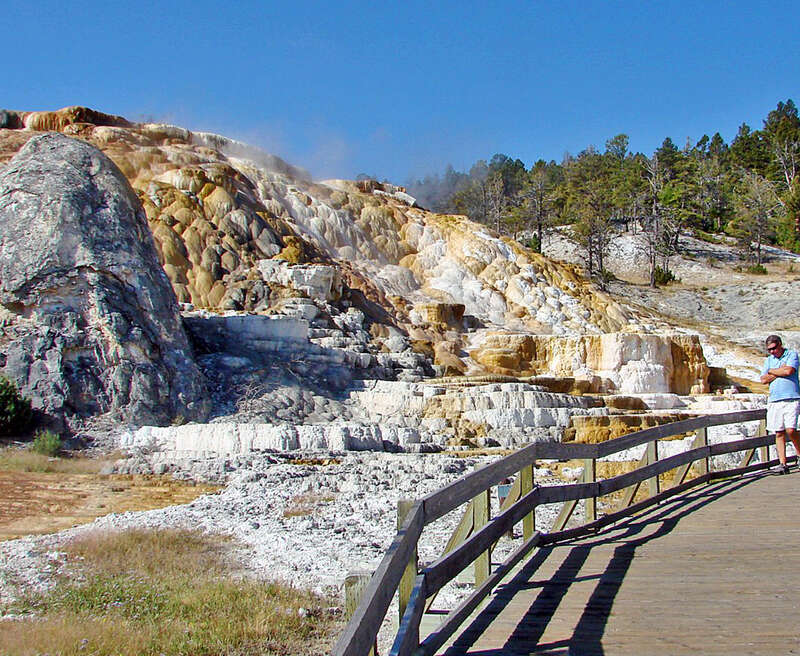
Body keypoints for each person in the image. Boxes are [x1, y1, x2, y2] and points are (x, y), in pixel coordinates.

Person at [760, 335, 800, 474]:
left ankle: (799, 455)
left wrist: (772, 371)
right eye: (769, 350)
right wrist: (778, 371)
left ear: (780, 345)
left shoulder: (792, 355)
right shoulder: (769, 361)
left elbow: (789, 371)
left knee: (791, 430)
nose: (772, 352)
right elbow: (764, 380)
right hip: (775, 399)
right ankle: (783, 464)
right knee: (779, 432)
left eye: (774, 348)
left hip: (791, 397)